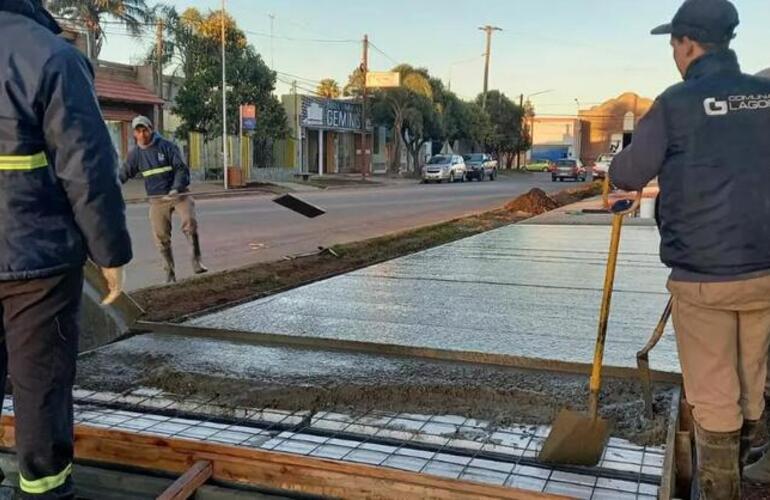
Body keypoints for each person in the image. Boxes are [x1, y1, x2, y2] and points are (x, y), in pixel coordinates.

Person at [609, 0, 770, 497]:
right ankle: (753, 466)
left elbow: (629, 173)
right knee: (753, 380)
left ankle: (721, 489)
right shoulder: (765, 96)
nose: (674, 54)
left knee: (714, 392)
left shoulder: (675, 104)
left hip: (703, 279)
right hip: (766, 273)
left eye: (674, 44)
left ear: (688, 45)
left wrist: (624, 160)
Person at [0, 0, 132, 497]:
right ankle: (44, 488)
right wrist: (110, 252)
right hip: (38, 264)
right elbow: (88, 169)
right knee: (40, 391)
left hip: (29, 254)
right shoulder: (51, 56)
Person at [120, 117, 207, 283]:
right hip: (157, 199)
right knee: (160, 236)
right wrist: (110, 188)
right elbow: (123, 173)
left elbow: (181, 169)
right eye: (138, 131)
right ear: (134, 134)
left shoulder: (167, 146)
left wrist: (176, 188)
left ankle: (196, 261)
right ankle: (170, 273)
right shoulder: (135, 155)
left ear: (151, 129)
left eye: (145, 129)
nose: (142, 134)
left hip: (178, 194)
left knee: (189, 221)